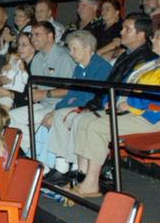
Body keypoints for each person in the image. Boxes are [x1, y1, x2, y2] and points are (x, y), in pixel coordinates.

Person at [68, 21, 160, 198]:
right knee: (84, 120)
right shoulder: (150, 64)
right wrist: (110, 100)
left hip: (152, 117)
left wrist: (133, 105)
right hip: (127, 110)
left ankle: (91, 184)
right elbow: (122, 86)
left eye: (159, 36)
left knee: (97, 128)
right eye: (153, 36)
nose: (153, 39)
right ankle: (81, 176)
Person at [35, 29, 113, 175]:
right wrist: (56, 109)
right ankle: (58, 163)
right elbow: (72, 94)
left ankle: (66, 165)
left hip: (94, 108)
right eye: (70, 49)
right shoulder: (79, 68)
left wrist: (59, 110)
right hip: (79, 105)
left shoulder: (101, 67)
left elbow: (90, 97)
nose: (71, 53)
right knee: (56, 115)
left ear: (87, 48)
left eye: (74, 49)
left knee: (63, 117)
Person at [10, 21, 75, 153]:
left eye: (37, 35)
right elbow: (36, 89)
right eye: (32, 35)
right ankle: (35, 152)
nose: (33, 39)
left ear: (50, 36)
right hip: (44, 104)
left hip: (62, 105)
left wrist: (44, 94)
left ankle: (38, 154)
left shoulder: (64, 57)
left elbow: (70, 90)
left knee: (35, 123)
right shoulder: (37, 59)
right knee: (11, 117)